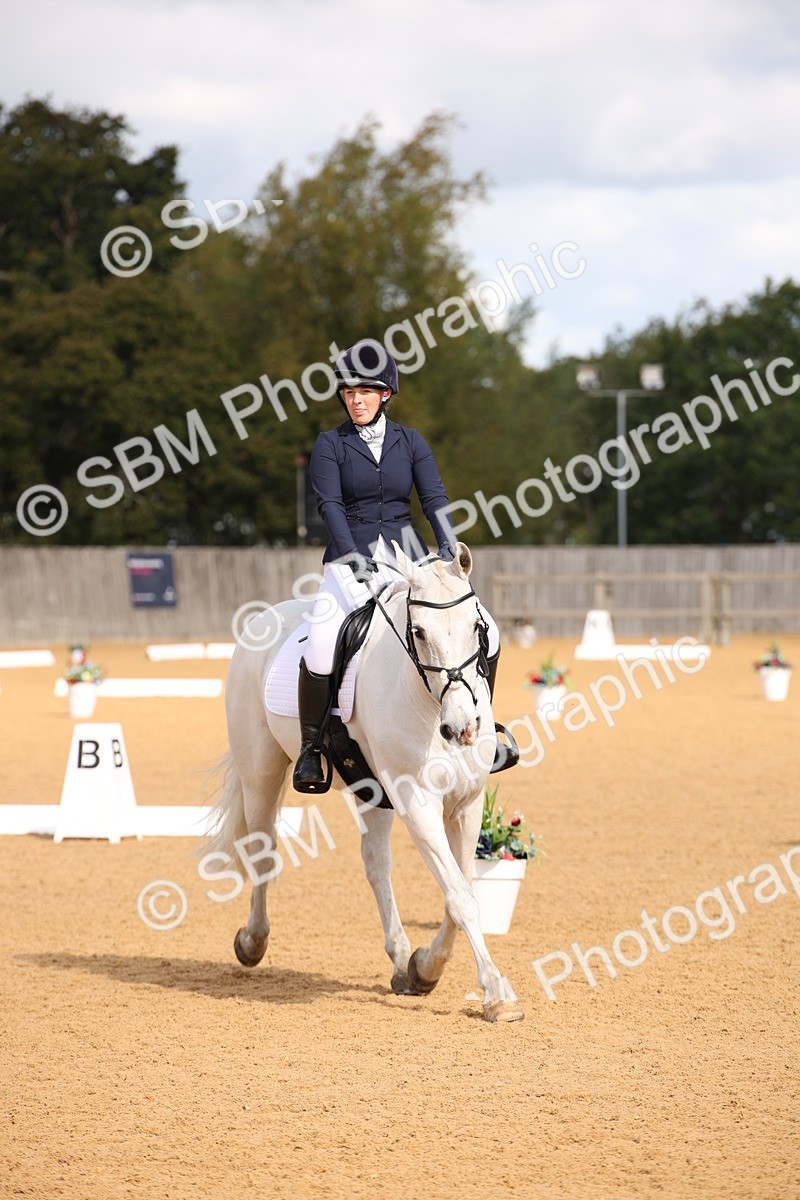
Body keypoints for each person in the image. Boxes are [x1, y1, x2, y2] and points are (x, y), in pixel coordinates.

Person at [292, 338, 514, 792]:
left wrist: (450, 550)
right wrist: (351, 556)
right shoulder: (330, 444)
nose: (355, 400)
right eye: (349, 393)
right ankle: (311, 748)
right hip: (346, 559)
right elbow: (329, 504)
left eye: (365, 392)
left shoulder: (410, 442)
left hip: (406, 559)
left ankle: (486, 725)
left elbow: (433, 498)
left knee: (486, 626)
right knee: (320, 644)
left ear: (385, 394)